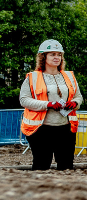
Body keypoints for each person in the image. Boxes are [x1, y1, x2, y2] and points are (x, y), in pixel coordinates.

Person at [20, 39, 81, 171]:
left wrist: (75, 103)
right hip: (41, 129)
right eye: (52, 54)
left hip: (66, 129)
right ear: (43, 57)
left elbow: (78, 96)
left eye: (59, 54)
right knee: (41, 165)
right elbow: (24, 100)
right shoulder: (33, 77)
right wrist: (48, 104)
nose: (57, 57)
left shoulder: (69, 76)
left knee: (66, 167)